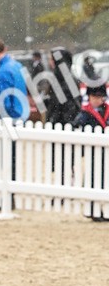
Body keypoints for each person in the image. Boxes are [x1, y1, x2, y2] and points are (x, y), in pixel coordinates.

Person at [73, 84, 109, 222]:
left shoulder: (106, 110)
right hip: (93, 153)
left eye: (100, 97)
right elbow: (77, 126)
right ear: (89, 97)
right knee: (92, 179)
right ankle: (92, 209)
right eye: (95, 97)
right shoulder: (85, 114)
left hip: (105, 152)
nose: (97, 100)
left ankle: (103, 209)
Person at [0, 38, 29, 121]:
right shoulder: (18, 65)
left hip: (12, 117)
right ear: (5, 49)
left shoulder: (2, 72)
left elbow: (5, 101)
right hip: (23, 112)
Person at [44, 46, 81, 127]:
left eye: (52, 59)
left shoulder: (68, 81)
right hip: (57, 125)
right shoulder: (57, 78)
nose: (50, 62)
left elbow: (71, 107)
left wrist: (54, 120)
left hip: (63, 126)